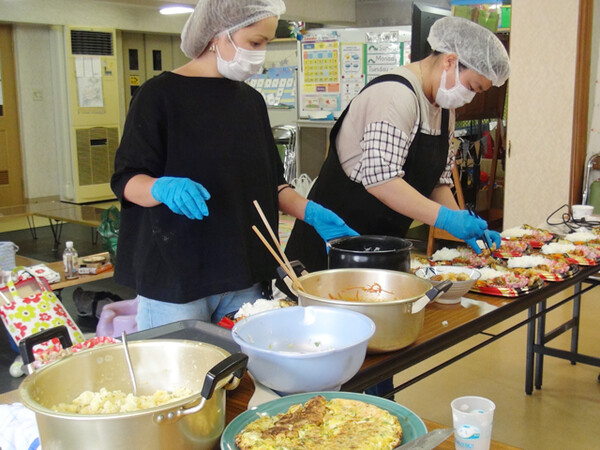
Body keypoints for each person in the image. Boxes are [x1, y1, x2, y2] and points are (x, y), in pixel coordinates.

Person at [110, 0, 357, 331]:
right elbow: (126, 179)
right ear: (216, 35)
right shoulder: (158, 96)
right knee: (180, 380)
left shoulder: (250, 101)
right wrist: (160, 187)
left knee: (246, 376)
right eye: (255, 43)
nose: (260, 55)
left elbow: (273, 184)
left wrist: (312, 213)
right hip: (176, 276)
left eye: (266, 44)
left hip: (243, 272)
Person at [285, 16, 510, 273]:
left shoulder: (444, 110)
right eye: (472, 86)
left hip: (385, 244)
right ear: (450, 61)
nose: (469, 98)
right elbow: (382, 181)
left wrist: (464, 227)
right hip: (333, 244)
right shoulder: (395, 95)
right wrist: (446, 219)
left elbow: (438, 181)